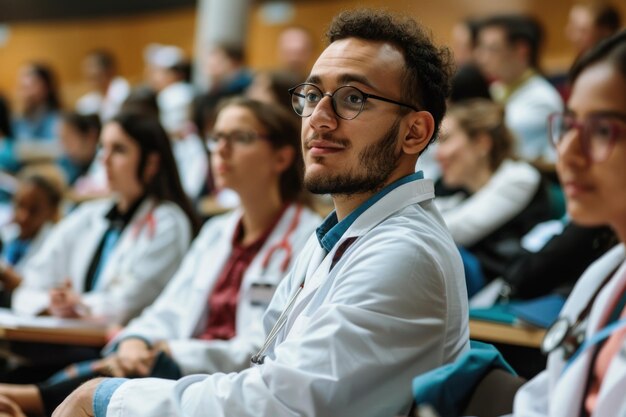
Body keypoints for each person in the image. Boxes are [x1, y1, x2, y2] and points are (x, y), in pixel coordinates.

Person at [53, 8, 469, 417]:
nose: (318, 119)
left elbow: (281, 403)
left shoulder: (404, 251)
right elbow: (262, 363)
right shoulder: (335, 237)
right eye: (311, 95)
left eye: (353, 98)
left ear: (414, 132)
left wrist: (110, 398)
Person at [0, 97, 322, 416]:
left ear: (281, 157)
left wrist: (171, 352)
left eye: (241, 138)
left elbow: (265, 345)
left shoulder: (307, 239)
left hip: (231, 388)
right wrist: (137, 338)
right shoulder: (217, 232)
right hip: (173, 367)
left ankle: (29, 399)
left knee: (101, 382)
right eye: (217, 138)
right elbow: (168, 308)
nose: (221, 150)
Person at [411, 30, 626, 417]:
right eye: (569, 126)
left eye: (602, 130)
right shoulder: (605, 278)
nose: (568, 155)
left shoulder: (518, 178)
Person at [435, 99, 552, 291]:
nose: (437, 154)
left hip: (506, 288)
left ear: (481, 143)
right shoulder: (455, 187)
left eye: (445, 140)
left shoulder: (520, 177)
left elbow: (451, 232)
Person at [475, 15, 563, 162]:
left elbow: (490, 141)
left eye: (492, 49)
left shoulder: (542, 100)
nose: (481, 57)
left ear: (521, 50)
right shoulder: (497, 89)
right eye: (481, 48)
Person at [0, 173, 62, 305]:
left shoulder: (55, 244)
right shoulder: (8, 235)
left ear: (52, 211)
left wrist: (3, 272)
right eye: (19, 206)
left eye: (34, 210)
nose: (23, 216)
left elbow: (33, 289)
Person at [75, 50, 130, 122]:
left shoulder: (123, 90)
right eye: (86, 67)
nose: (88, 72)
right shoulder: (85, 102)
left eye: (91, 66)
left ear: (109, 70)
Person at [11, 63, 61, 142]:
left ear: (47, 88)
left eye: (30, 86)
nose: (25, 94)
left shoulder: (59, 121)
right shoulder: (16, 122)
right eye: (22, 87)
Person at [57, 112, 101, 187]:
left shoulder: (103, 163)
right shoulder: (64, 164)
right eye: (61, 139)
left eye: (69, 138)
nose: (64, 145)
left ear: (91, 136)